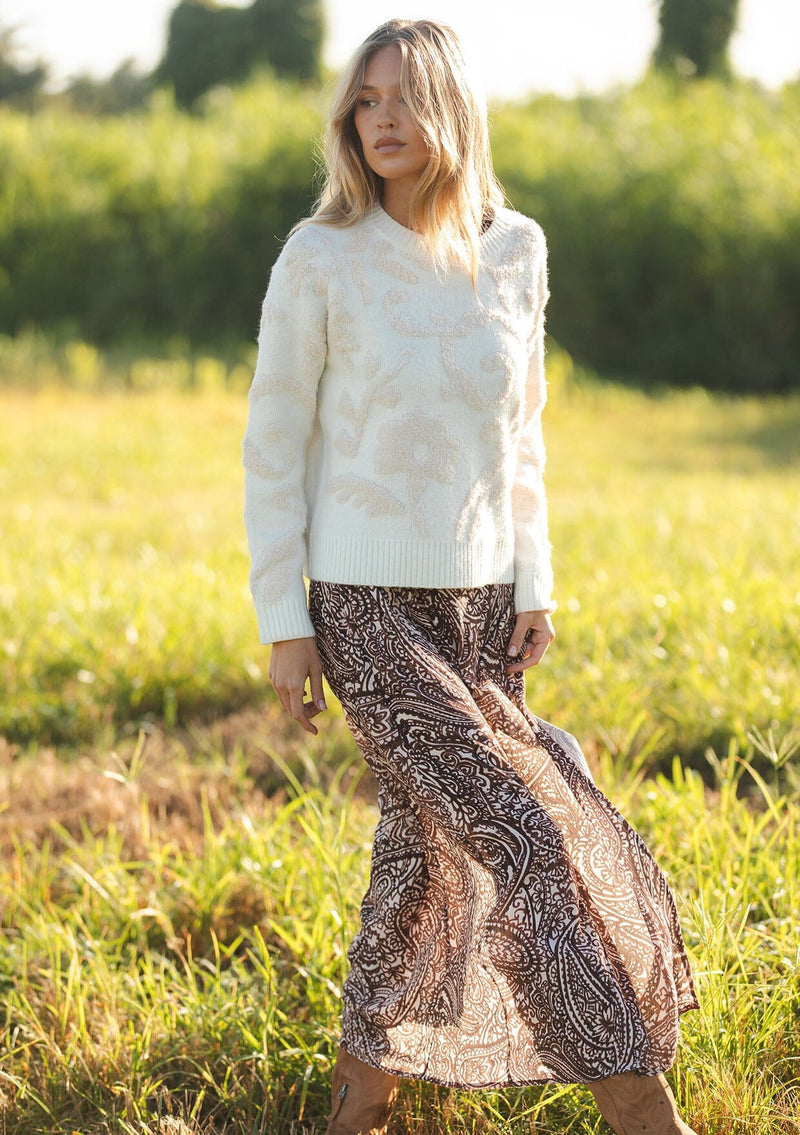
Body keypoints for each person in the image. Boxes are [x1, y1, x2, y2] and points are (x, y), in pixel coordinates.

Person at [242, 18, 699, 1135]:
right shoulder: (322, 256)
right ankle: (639, 1108)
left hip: (483, 602)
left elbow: (522, 437)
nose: (381, 118)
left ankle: (362, 1096)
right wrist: (281, 616)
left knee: (417, 850)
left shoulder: (517, 247)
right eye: (364, 101)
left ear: (451, 108)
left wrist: (531, 577)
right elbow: (272, 441)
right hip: (362, 603)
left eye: (403, 97)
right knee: (522, 832)